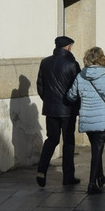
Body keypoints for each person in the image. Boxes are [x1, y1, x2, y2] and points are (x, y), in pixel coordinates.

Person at [67, 45, 105, 194]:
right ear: (101, 58)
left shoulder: (81, 75)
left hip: (87, 117)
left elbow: (71, 96)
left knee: (97, 148)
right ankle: (91, 183)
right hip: (102, 118)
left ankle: (101, 177)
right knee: (97, 150)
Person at [35, 35, 81, 187]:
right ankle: (68, 177)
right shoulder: (72, 64)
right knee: (68, 143)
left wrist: (48, 101)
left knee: (51, 140)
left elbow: (40, 85)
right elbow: (78, 88)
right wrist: (75, 104)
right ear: (68, 46)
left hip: (51, 109)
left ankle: (41, 171)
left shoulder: (45, 62)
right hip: (68, 110)